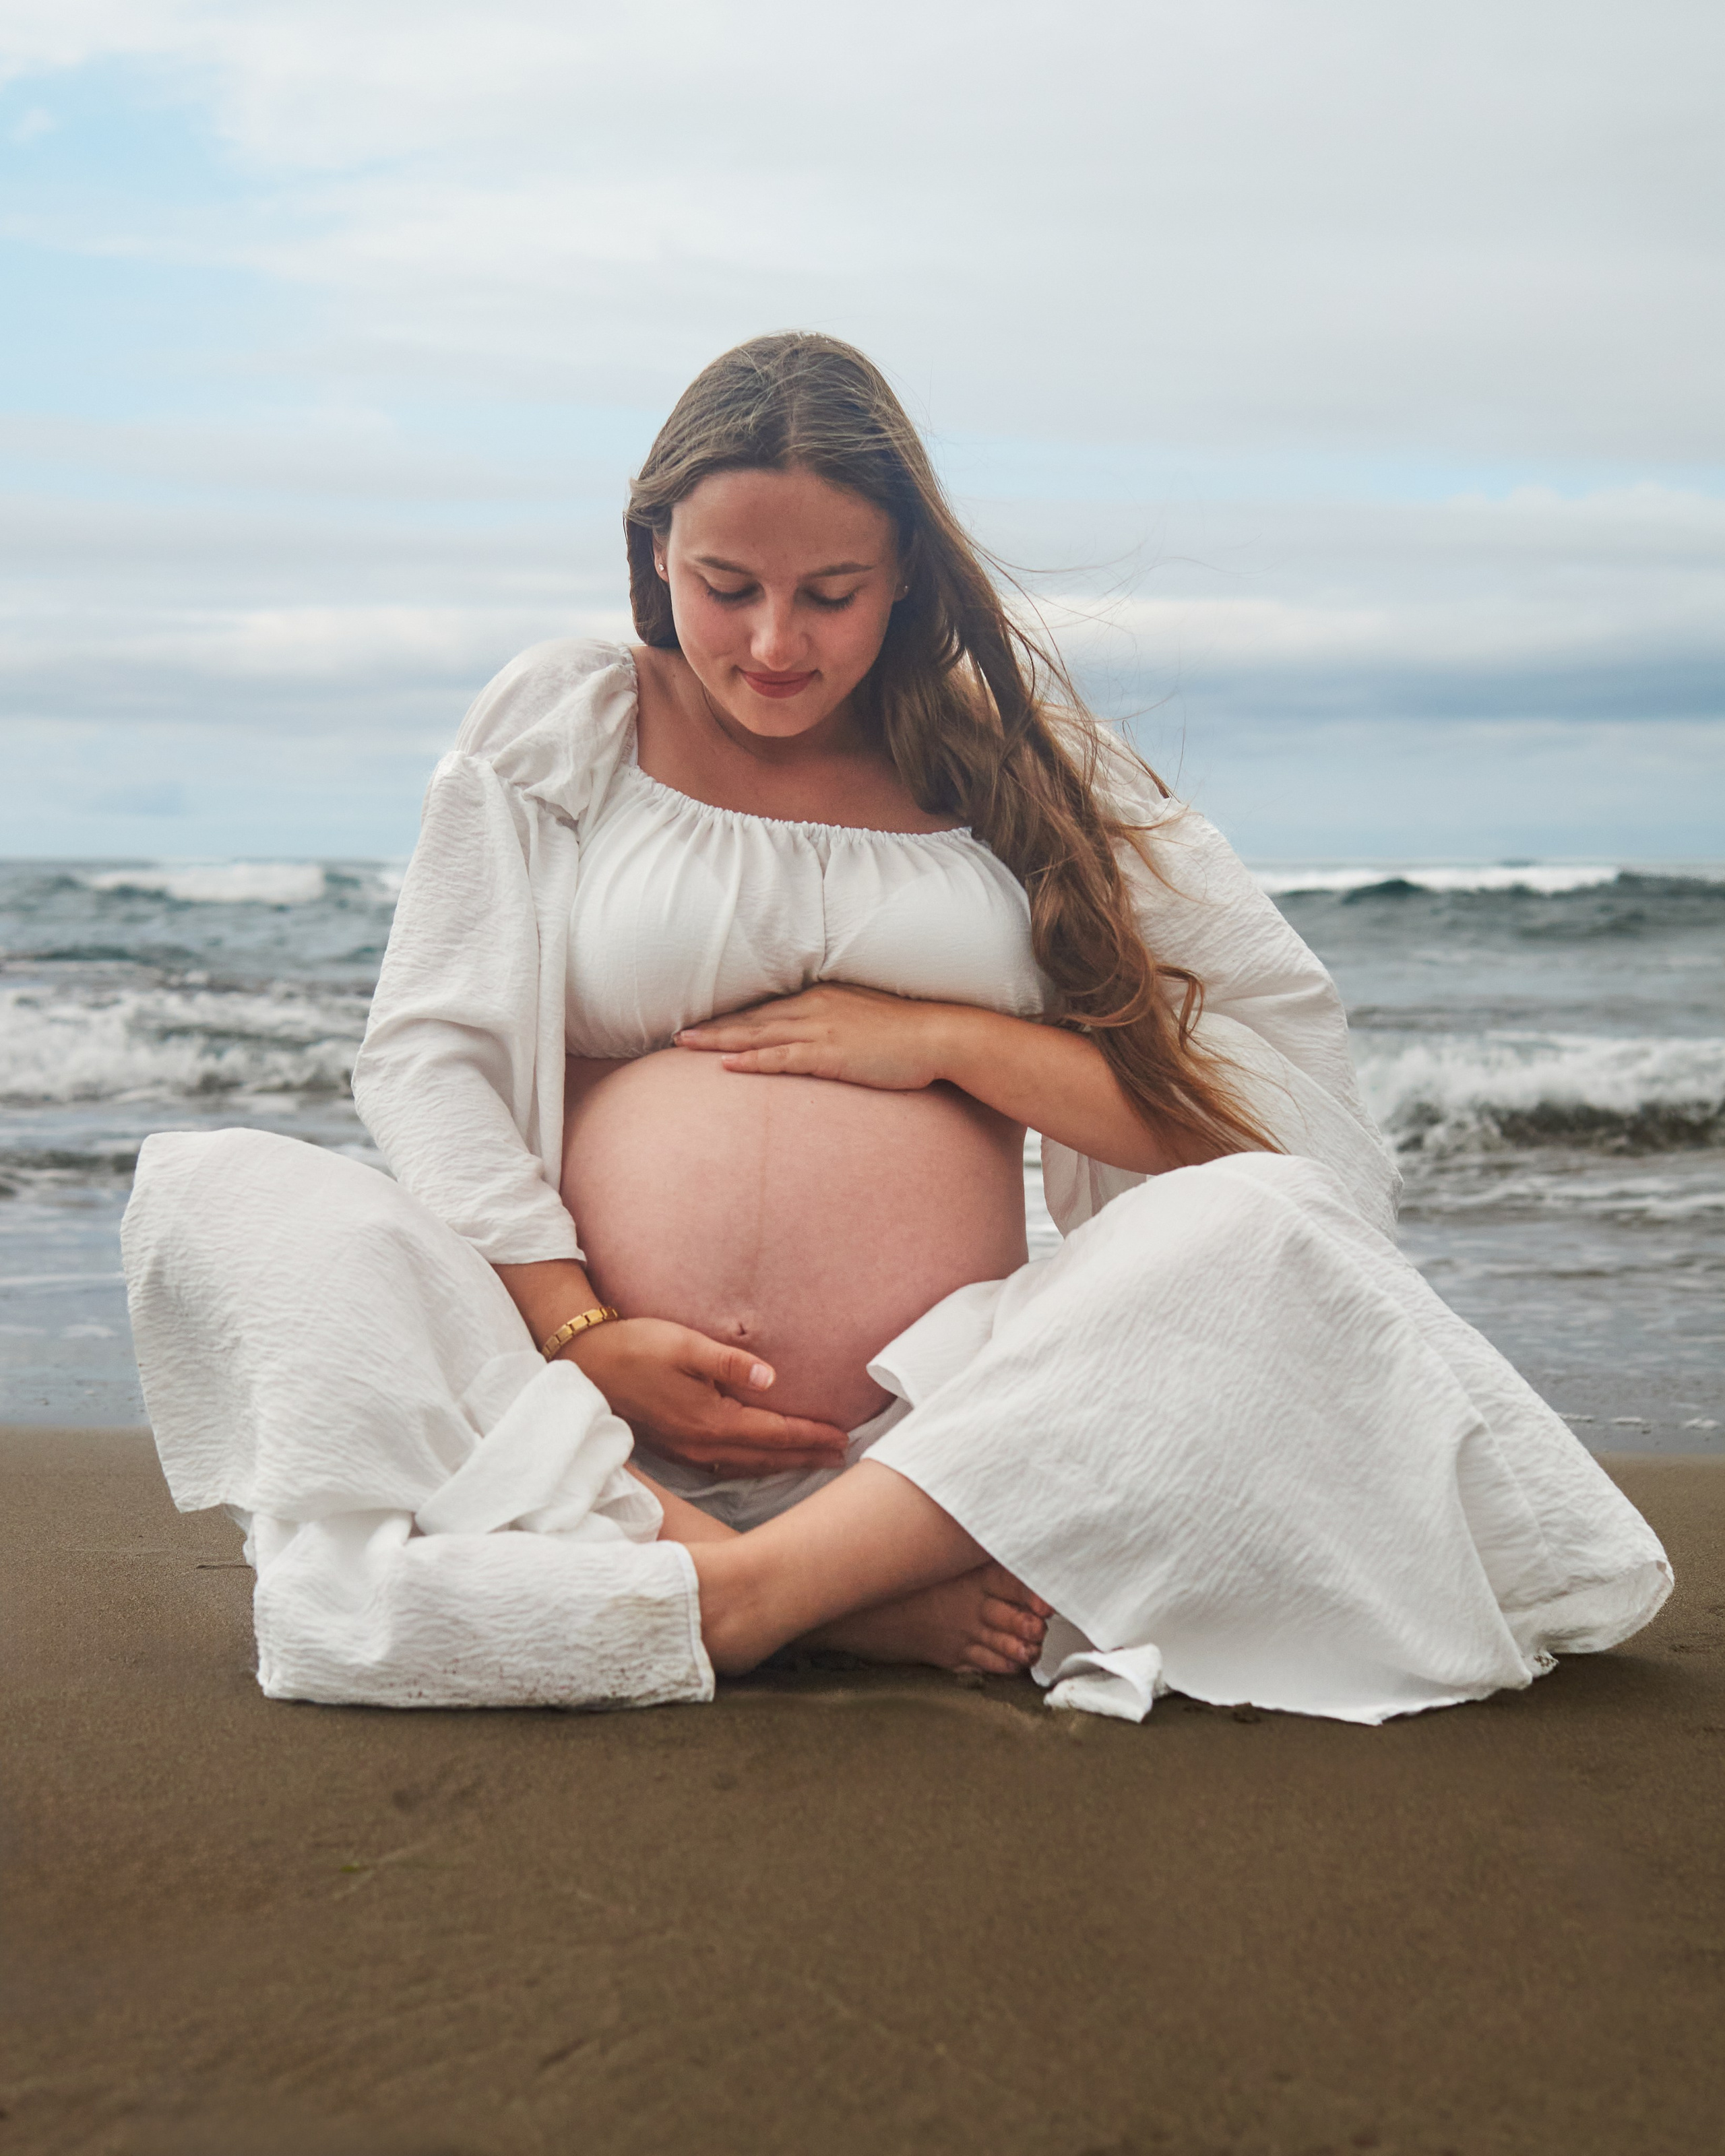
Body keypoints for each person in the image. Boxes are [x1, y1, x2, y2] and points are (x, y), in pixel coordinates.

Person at [124, 333, 1670, 1722]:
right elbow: (431, 1052)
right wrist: (579, 1330)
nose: (773, 642)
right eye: (726, 585)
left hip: (937, 1433)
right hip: (584, 1399)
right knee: (219, 1194)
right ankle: (806, 1589)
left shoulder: (1024, 766)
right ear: (653, 549)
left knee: (1263, 1226)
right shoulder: (568, 722)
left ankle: (757, 1590)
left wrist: (946, 1040)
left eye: (830, 593)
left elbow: (1245, 1109)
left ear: (907, 576)